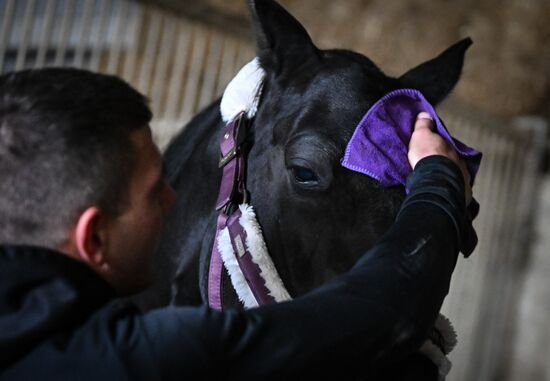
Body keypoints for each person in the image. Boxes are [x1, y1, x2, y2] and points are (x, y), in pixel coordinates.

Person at [0, 68, 472, 380]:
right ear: (95, 237)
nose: (172, 195)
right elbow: (385, 314)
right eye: (153, 191)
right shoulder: (133, 361)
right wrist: (438, 181)